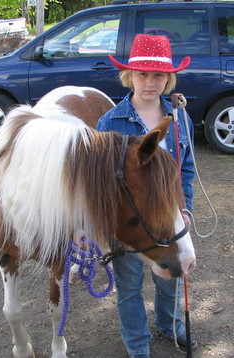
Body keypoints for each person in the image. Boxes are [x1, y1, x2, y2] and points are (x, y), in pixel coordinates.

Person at [96, 34, 196, 358]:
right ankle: (137, 343)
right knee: (129, 285)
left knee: (171, 276)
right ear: (130, 76)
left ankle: (168, 324)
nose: (150, 83)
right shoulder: (110, 123)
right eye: (142, 74)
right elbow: (101, 182)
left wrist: (187, 210)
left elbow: (186, 170)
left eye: (158, 75)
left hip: (167, 219)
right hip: (131, 224)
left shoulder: (180, 120)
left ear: (168, 78)